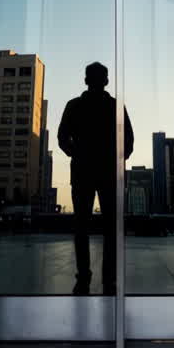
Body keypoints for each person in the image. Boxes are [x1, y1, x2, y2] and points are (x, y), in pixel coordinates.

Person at [57, 62, 133, 295]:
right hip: (107, 172)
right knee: (109, 228)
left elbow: (62, 138)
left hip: (82, 171)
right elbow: (128, 141)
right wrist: (116, 159)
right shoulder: (115, 106)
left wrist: (76, 153)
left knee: (82, 227)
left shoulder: (75, 105)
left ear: (86, 80)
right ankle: (108, 279)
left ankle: (83, 278)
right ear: (106, 81)